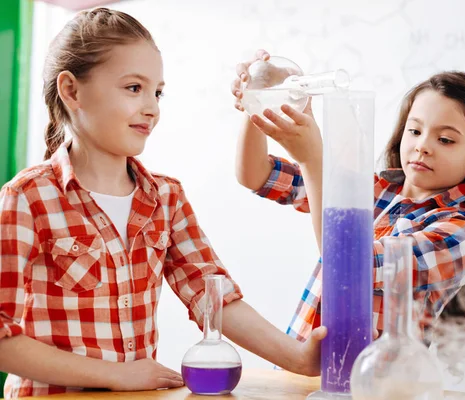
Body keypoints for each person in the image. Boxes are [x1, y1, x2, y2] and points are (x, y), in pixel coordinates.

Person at [0, 11, 325, 399]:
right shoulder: (27, 198)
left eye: (157, 92)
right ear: (71, 91)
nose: (152, 108)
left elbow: (214, 298)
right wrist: (115, 375)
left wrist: (299, 359)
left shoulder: (165, 198)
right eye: (133, 88)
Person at [232, 49, 465, 345]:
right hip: (302, 371)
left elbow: (350, 266)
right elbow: (254, 175)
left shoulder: (459, 231)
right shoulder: (371, 189)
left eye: (445, 139)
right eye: (415, 130)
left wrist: (313, 160)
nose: (422, 146)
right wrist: (256, 101)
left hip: (373, 384)